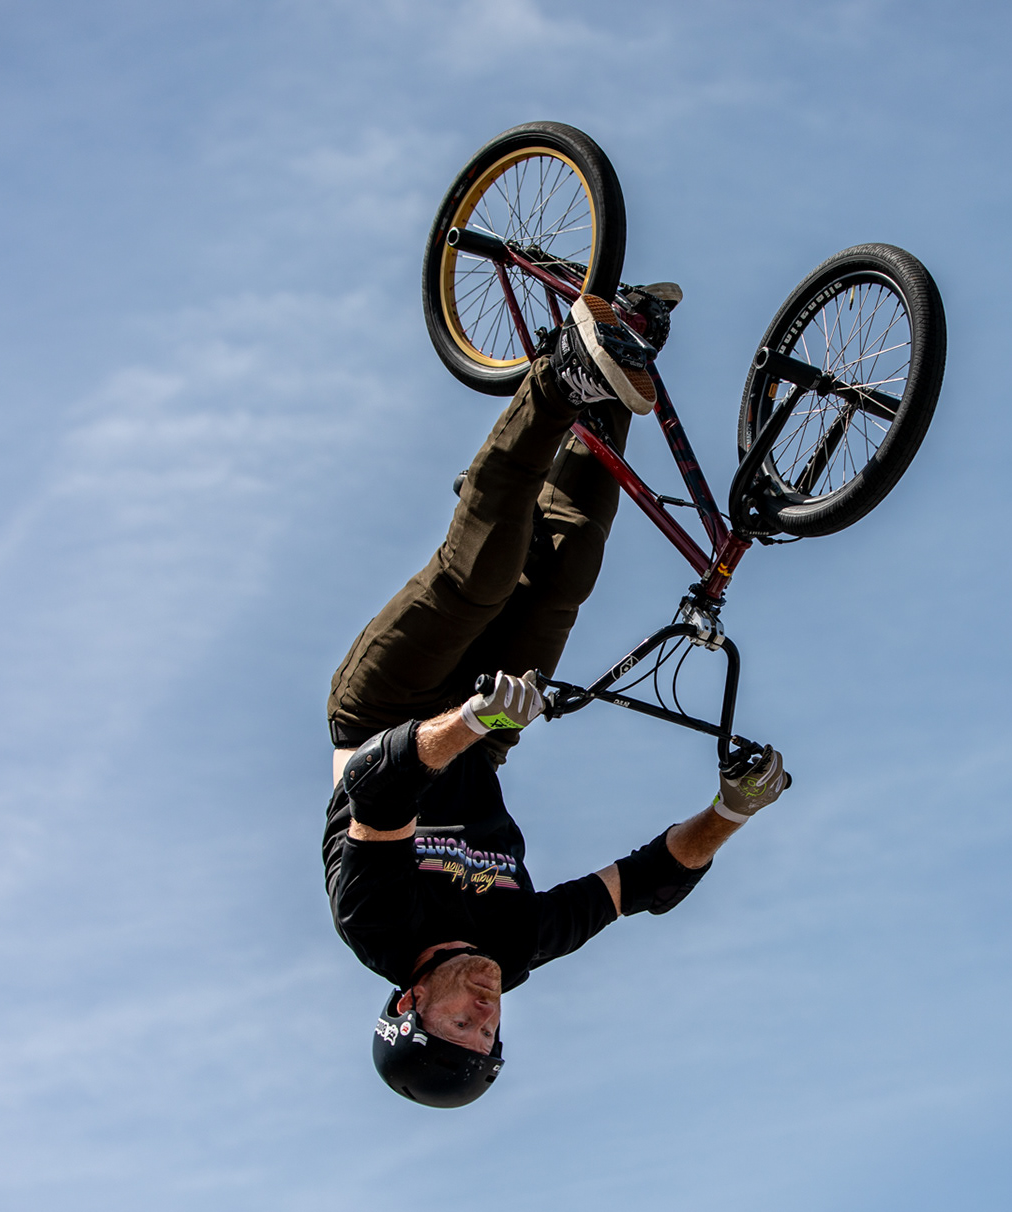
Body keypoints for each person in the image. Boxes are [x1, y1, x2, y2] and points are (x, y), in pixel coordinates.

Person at [322, 288, 789, 1108]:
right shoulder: (516, 944)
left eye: (460, 1024)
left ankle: (557, 379)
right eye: (489, 1032)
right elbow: (641, 882)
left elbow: (382, 786)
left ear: (409, 1004)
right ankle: (616, 363)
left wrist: (473, 720)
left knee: (479, 580)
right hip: (490, 727)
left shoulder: (377, 925)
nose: (485, 1012)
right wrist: (732, 812)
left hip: (390, 705)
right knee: (567, 568)